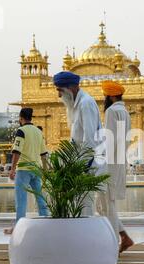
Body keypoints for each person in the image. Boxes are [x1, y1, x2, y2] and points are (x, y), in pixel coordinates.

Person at [53, 71, 102, 217]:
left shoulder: (85, 103)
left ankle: (87, 235)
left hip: (89, 161)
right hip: (81, 160)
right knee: (79, 202)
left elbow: (90, 137)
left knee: (84, 202)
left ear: (71, 88)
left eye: (60, 91)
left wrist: (83, 167)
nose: (59, 96)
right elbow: (76, 138)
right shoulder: (77, 104)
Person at [96, 81, 134, 253]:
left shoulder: (112, 111)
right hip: (120, 160)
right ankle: (124, 236)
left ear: (110, 96)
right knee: (103, 203)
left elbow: (110, 139)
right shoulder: (125, 112)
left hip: (110, 161)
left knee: (105, 203)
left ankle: (112, 244)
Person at [4, 108, 50, 235]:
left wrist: (12, 169)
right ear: (31, 117)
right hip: (37, 169)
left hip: (24, 169)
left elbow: (17, 151)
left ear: (21, 118)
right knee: (40, 197)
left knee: (21, 200)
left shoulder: (21, 131)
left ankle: (18, 228)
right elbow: (44, 154)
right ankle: (46, 223)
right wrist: (45, 171)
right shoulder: (38, 131)